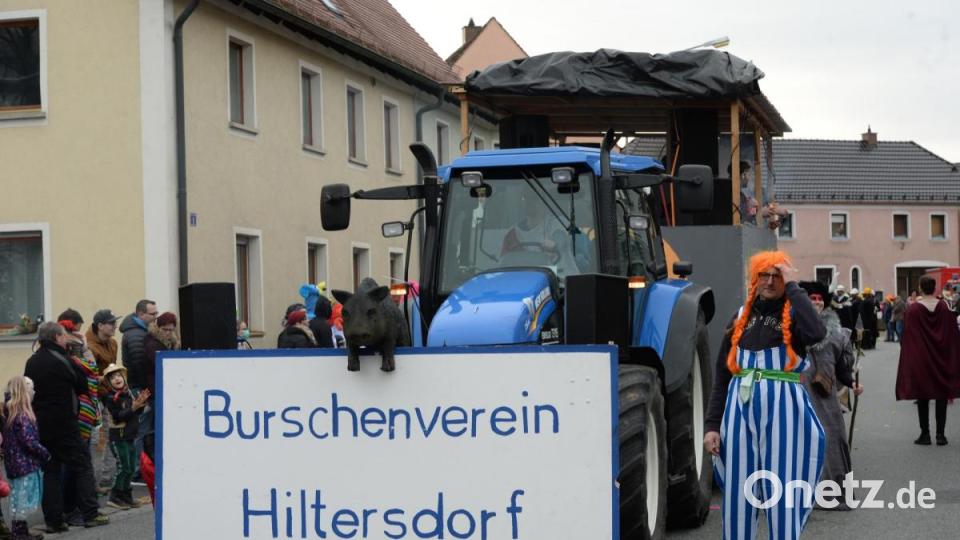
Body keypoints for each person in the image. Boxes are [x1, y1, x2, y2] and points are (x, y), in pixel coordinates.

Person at [704, 251, 826, 539]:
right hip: (740, 411)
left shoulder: (795, 315)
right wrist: (712, 425)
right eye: (764, 275)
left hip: (784, 412)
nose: (770, 282)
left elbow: (817, 333)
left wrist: (793, 286)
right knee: (738, 490)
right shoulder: (739, 318)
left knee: (782, 487)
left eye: (777, 276)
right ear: (754, 279)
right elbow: (722, 376)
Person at [23, 322, 108, 531]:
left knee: (50, 471)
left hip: (42, 424)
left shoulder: (32, 361)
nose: (65, 339)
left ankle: (54, 521)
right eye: (63, 335)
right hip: (65, 423)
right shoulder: (63, 360)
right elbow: (82, 385)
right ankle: (90, 513)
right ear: (56, 337)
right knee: (82, 465)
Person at [798, 281, 864, 509]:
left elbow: (842, 368)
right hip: (797, 392)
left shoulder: (837, 333)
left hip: (825, 395)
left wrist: (852, 383)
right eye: (812, 298)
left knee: (833, 439)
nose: (816, 302)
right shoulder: (792, 327)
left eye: (819, 299)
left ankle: (833, 494)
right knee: (800, 442)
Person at [895, 276, 960, 445]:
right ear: (935, 288)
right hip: (941, 357)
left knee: (923, 395)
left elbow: (907, 336)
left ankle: (925, 434)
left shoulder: (913, 310)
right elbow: (952, 334)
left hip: (921, 359)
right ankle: (941, 435)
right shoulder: (944, 307)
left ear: (920, 288)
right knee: (941, 395)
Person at [2, 376, 50, 540]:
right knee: (23, 498)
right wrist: (44, 453)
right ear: (24, 392)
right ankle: (20, 534)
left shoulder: (10, 411)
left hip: (14, 464)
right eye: (31, 388)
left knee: (17, 498)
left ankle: (20, 532)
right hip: (25, 464)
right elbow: (29, 441)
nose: (34, 391)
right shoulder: (22, 415)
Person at [100, 364, 149, 509]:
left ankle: (126, 496)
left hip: (130, 436)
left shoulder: (128, 394)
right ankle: (115, 497)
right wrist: (133, 408)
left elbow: (135, 414)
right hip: (118, 438)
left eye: (118, 376)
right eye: (112, 378)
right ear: (109, 383)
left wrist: (140, 405)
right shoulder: (111, 398)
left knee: (131, 467)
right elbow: (118, 417)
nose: (117, 379)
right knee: (123, 467)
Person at [84, 309, 120, 494]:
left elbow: (112, 370)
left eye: (115, 322)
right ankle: (92, 482)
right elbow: (90, 377)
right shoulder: (89, 347)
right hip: (94, 399)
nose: (115, 326)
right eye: (111, 323)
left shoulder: (113, 343)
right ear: (100, 326)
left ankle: (101, 478)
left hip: (107, 396)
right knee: (97, 440)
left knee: (105, 437)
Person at [120, 299, 158, 471]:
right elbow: (138, 365)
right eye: (152, 314)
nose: (155, 317)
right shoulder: (136, 334)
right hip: (141, 389)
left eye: (156, 313)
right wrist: (146, 391)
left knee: (144, 427)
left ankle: (141, 466)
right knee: (142, 428)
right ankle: (139, 468)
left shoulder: (139, 332)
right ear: (141, 314)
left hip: (141, 387)